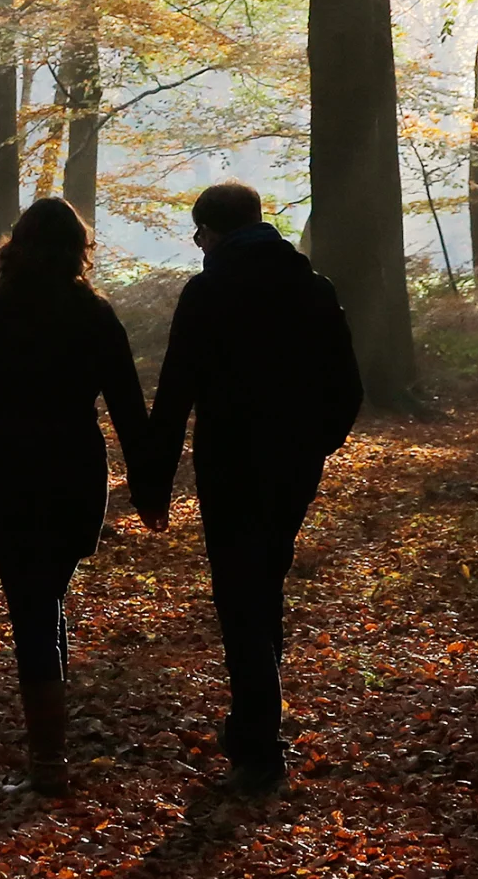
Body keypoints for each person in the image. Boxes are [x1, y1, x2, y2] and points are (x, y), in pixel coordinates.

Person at [133, 180, 361, 794]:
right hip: (292, 467)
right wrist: (316, 444)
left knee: (241, 593)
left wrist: (151, 485)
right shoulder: (314, 289)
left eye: (198, 232)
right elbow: (347, 388)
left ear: (211, 230)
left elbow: (175, 393)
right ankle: (255, 724)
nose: (198, 243)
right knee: (265, 580)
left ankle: (258, 746)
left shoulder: (208, 292)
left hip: (229, 465)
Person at [0, 196, 151, 795]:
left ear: (18, 245)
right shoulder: (96, 315)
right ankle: (50, 757)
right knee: (47, 597)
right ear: (77, 251)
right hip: (72, 465)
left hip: (9, 467)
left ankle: (48, 764)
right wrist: (146, 480)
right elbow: (126, 407)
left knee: (32, 607)